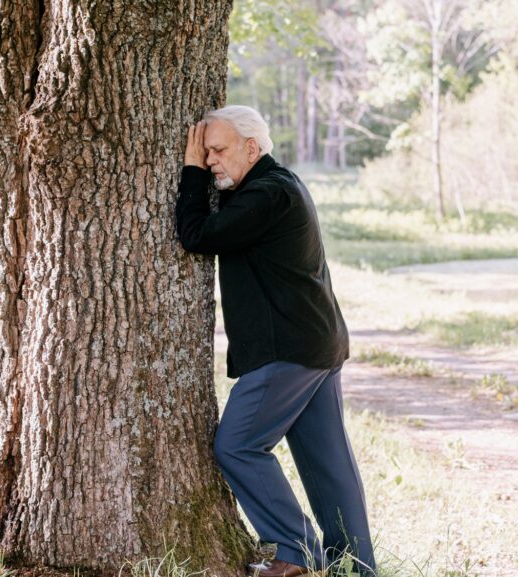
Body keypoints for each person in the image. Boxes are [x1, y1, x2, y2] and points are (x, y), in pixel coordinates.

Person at [175, 105, 377, 577]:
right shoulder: (276, 185)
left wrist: (187, 172)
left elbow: (196, 234)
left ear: (251, 147)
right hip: (317, 342)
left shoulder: (268, 194)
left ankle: (295, 550)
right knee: (328, 464)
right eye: (205, 155)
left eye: (218, 150)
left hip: (289, 349)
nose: (210, 162)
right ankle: (353, 566)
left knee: (237, 445)